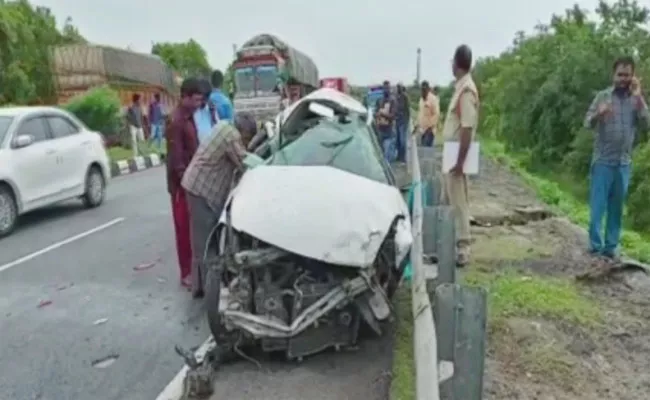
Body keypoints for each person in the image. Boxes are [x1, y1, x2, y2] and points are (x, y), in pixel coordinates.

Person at [181, 113, 258, 298]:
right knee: (205, 242)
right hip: (202, 190)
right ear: (243, 131)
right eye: (247, 138)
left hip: (197, 187)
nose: (246, 141)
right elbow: (243, 162)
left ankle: (202, 286)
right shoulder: (231, 136)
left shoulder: (224, 126)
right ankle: (207, 291)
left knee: (202, 239)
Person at [584, 56, 649, 261]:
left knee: (616, 208)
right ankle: (595, 248)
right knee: (598, 207)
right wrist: (598, 115)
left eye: (627, 75)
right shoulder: (603, 96)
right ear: (614, 75)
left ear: (632, 76)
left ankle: (610, 248)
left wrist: (640, 98)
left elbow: (647, 124)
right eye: (620, 74)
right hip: (603, 161)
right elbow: (586, 123)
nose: (623, 78)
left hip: (624, 163)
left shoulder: (635, 100)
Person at [440, 45, 479, 267]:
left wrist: (460, 162)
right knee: (448, 200)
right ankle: (447, 242)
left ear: (456, 63)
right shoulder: (461, 87)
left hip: (457, 155)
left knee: (458, 202)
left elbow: (466, 127)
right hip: (453, 154)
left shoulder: (466, 90)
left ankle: (463, 246)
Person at [167, 77, 204, 288]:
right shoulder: (177, 121)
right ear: (185, 97)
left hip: (191, 181)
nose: (199, 104)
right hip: (181, 185)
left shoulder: (189, 117)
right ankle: (186, 273)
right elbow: (176, 159)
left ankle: (194, 270)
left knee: (192, 229)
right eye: (196, 100)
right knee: (183, 230)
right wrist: (185, 183)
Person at [375, 80, 397, 163]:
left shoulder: (393, 101)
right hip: (380, 130)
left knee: (387, 156)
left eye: (387, 88)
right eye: (384, 88)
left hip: (389, 131)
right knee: (380, 154)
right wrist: (377, 115)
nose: (386, 90)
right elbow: (376, 114)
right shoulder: (379, 100)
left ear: (389, 89)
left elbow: (393, 116)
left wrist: (382, 114)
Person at [194, 79, 218, 143]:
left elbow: (217, 128)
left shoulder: (211, 108)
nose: (204, 102)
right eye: (202, 99)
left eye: (206, 99)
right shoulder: (191, 110)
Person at [417, 81, 440, 147]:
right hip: (422, 130)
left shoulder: (433, 99)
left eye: (424, 89)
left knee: (426, 152)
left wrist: (430, 128)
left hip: (429, 131)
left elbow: (436, 114)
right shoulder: (421, 99)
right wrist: (417, 125)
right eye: (422, 89)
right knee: (423, 152)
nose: (423, 91)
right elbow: (420, 113)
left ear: (428, 89)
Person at [395, 83, 410, 162]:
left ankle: (403, 157)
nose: (398, 89)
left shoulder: (404, 97)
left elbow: (407, 110)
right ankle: (399, 156)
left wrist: (407, 121)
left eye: (399, 88)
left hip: (403, 121)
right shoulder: (397, 97)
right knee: (398, 140)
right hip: (397, 121)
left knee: (402, 140)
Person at [126, 94, 145, 158]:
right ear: (136, 100)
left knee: (141, 140)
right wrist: (130, 123)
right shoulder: (131, 107)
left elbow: (141, 116)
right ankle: (135, 155)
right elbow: (127, 116)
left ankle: (142, 153)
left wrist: (143, 124)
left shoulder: (140, 107)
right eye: (139, 99)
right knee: (134, 140)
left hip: (139, 126)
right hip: (133, 126)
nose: (140, 101)